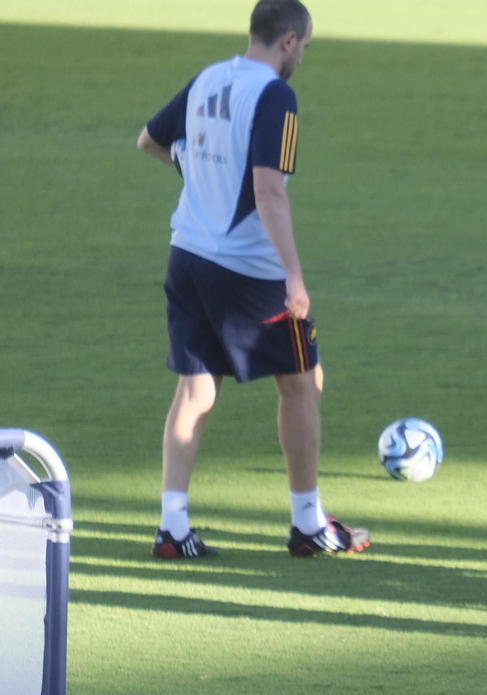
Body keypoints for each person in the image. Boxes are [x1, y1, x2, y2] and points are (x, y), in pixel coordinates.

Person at [137, 0, 367, 558]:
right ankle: (308, 524)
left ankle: (172, 528)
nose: (302, 57)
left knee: (196, 389)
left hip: (187, 253)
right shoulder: (275, 96)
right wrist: (294, 276)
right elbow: (268, 191)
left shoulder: (209, 77)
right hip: (248, 268)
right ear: (288, 40)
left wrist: (200, 173)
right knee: (302, 382)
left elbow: (150, 141)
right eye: (304, 46)